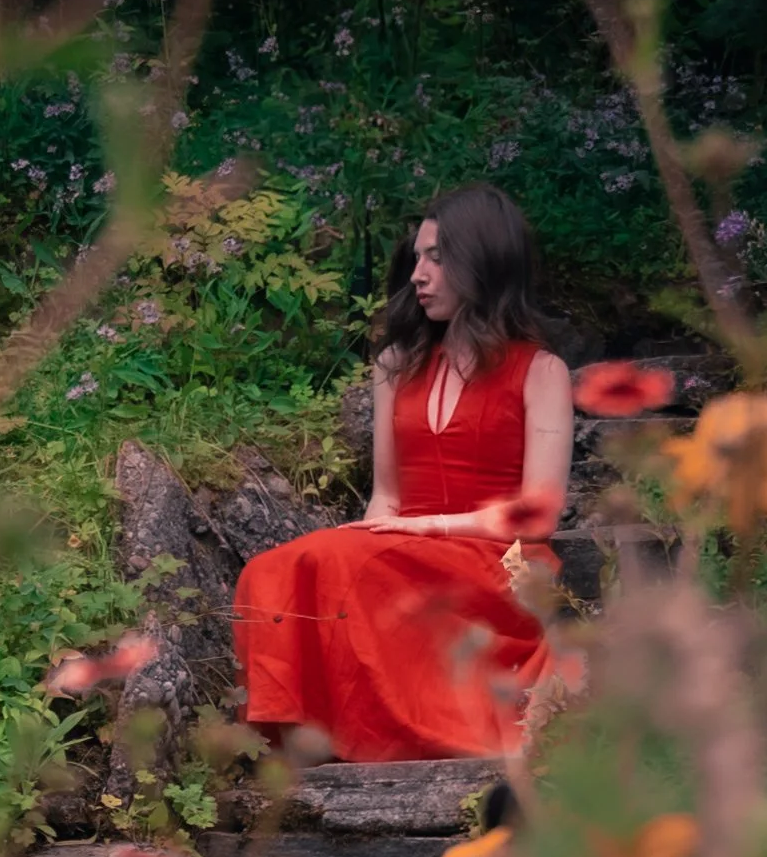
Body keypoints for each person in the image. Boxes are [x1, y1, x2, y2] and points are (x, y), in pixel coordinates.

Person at [233, 184, 574, 764]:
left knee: (350, 567)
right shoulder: (396, 365)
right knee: (275, 570)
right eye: (417, 258)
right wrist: (375, 540)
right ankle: (311, 737)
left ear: (484, 261)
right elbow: (386, 498)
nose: (417, 274)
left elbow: (539, 514)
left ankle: (374, 738)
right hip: (405, 548)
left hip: (500, 560)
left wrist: (429, 529)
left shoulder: (541, 370)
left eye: (436, 259)